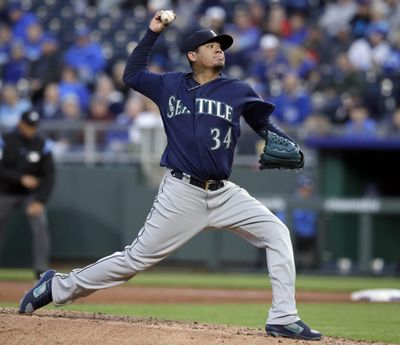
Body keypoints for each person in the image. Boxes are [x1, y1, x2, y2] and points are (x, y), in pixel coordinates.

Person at [19, 11, 322, 341]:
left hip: (224, 193)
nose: (219, 49)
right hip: (182, 191)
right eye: (211, 45)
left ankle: (283, 316)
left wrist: (285, 140)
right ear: (193, 55)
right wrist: (153, 31)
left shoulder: (237, 90)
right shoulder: (170, 85)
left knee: (277, 232)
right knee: (134, 260)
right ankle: (57, 286)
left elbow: (264, 124)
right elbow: (132, 75)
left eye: (222, 45)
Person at [0, 110, 54, 279]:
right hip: (5, 192)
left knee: (40, 224)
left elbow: (49, 176)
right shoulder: (5, 141)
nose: (31, 129)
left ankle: (40, 270)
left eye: (34, 126)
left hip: (31, 195)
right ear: (20, 124)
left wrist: (40, 200)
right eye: (28, 126)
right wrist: (20, 178)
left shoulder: (42, 144)